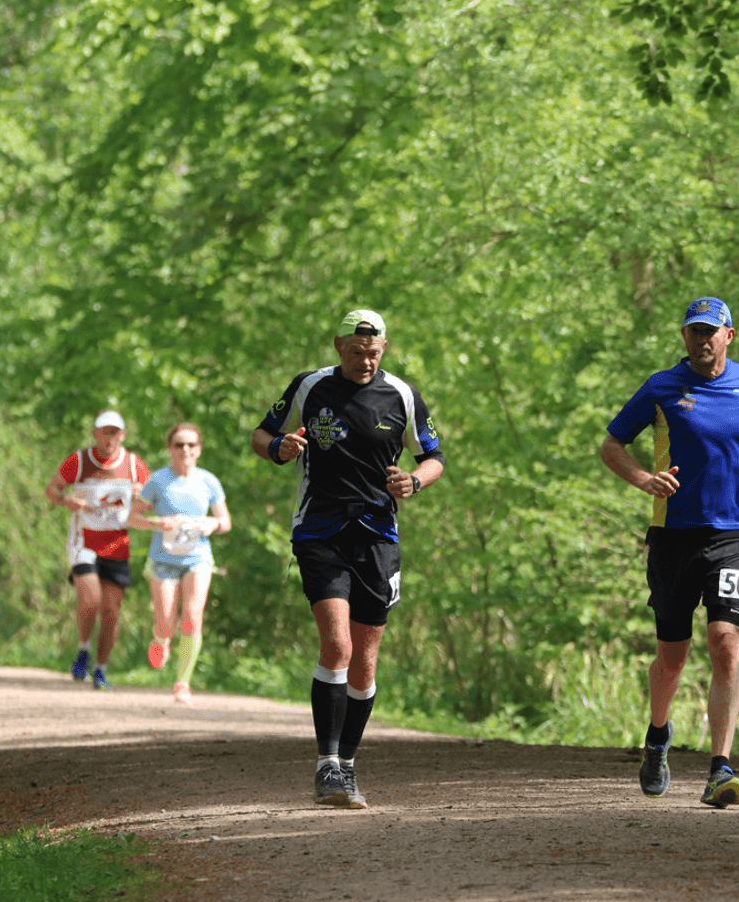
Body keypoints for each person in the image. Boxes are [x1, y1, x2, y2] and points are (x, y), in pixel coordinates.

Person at [600, 297, 739, 808]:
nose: (702, 339)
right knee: (672, 655)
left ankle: (720, 768)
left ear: (729, 335)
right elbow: (611, 445)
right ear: (683, 337)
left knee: (725, 641)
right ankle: (658, 736)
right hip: (672, 538)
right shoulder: (661, 387)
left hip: (732, 536)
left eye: (711, 331)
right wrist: (645, 479)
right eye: (694, 331)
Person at [252, 309, 444, 809]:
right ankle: (327, 764)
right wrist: (279, 447)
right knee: (336, 645)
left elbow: (434, 456)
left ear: (384, 349)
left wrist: (416, 479)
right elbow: (261, 435)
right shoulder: (309, 386)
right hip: (319, 529)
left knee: (365, 660)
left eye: (374, 352)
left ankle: (349, 765)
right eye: (356, 351)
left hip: (378, 534)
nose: (365, 360)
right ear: (339, 346)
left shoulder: (401, 394)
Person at [45, 410, 151, 690]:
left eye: (115, 432)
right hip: (84, 541)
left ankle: (101, 669)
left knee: (112, 611)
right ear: (95, 434)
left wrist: (143, 496)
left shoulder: (133, 465)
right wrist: (66, 500)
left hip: (117, 545)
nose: (109, 437)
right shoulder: (79, 461)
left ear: (123, 435)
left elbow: (152, 502)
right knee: (90, 598)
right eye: (105, 431)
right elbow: (52, 490)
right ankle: (83, 649)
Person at [130, 423, 231, 705]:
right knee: (165, 622)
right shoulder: (158, 481)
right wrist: (158, 522)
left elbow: (225, 521)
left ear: (198, 450)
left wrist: (213, 523)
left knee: (192, 616)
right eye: (178, 444)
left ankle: (182, 683)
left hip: (198, 559)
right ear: (170, 449)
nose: (184, 450)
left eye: (190, 445)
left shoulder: (208, 481)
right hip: (163, 560)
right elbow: (132, 518)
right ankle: (161, 640)